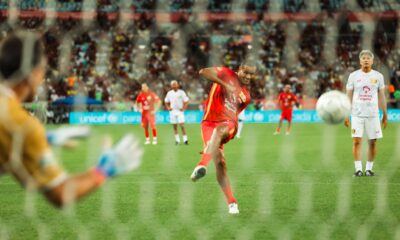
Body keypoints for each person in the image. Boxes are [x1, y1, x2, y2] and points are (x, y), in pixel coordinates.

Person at [0, 32, 142, 208]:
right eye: (42, 72)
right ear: (33, 73)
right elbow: (60, 193)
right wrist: (103, 170)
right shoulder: (20, 123)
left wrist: (45, 138)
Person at [190, 64, 256, 214]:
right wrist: (226, 85)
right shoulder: (226, 73)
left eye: (250, 75)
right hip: (208, 124)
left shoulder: (246, 96)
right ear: (239, 70)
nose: (247, 76)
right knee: (220, 162)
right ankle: (232, 203)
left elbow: (235, 112)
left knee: (220, 131)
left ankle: (202, 164)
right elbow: (203, 71)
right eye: (246, 72)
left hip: (228, 124)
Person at [344, 50, 387, 177]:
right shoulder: (353, 76)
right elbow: (348, 95)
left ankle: (369, 169)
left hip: (373, 114)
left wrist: (385, 113)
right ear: (360, 61)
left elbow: (382, 96)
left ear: (372, 61)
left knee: (372, 142)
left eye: (368, 58)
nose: (366, 60)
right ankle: (358, 169)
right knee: (356, 141)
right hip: (356, 114)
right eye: (363, 58)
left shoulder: (378, 76)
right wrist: (347, 114)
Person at [164, 80, 189, 145]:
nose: (174, 86)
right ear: (171, 86)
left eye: (175, 84)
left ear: (177, 85)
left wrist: (183, 108)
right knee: (175, 126)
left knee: (182, 125)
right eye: (173, 84)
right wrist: (168, 107)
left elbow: (186, 101)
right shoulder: (169, 93)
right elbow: (166, 101)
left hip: (179, 111)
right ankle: (177, 140)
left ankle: (185, 140)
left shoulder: (181, 92)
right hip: (172, 111)